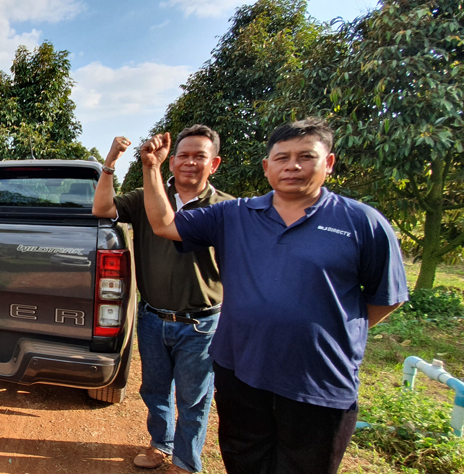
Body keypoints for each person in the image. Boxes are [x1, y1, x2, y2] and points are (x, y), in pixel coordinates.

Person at [139, 118, 409, 473]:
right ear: (267, 166)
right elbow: (164, 225)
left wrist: (327, 330)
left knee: (303, 465)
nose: (292, 166)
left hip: (319, 380)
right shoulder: (235, 215)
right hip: (242, 371)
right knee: (244, 458)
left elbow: (387, 298)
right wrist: (151, 168)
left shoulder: (362, 223)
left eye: (305, 157)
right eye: (282, 158)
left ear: (328, 163)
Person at [93, 126, 233, 474]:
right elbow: (101, 208)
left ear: (213, 164)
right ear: (170, 162)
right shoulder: (145, 197)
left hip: (202, 323)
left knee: (193, 400)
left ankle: (186, 463)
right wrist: (110, 162)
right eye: (183, 155)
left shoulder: (227, 209)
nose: (189, 162)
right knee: (155, 391)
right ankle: (161, 445)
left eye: (199, 156)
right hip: (154, 317)